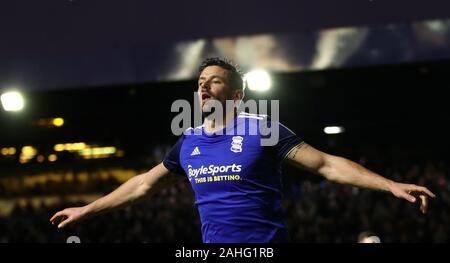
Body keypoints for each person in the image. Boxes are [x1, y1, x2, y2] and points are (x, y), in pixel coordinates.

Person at [50, 57, 435, 243]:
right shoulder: (188, 142)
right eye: (201, 81)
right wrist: (87, 209)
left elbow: (327, 165)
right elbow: (142, 185)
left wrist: (390, 185)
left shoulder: (263, 129)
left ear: (236, 94)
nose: (204, 87)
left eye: (214, 82)